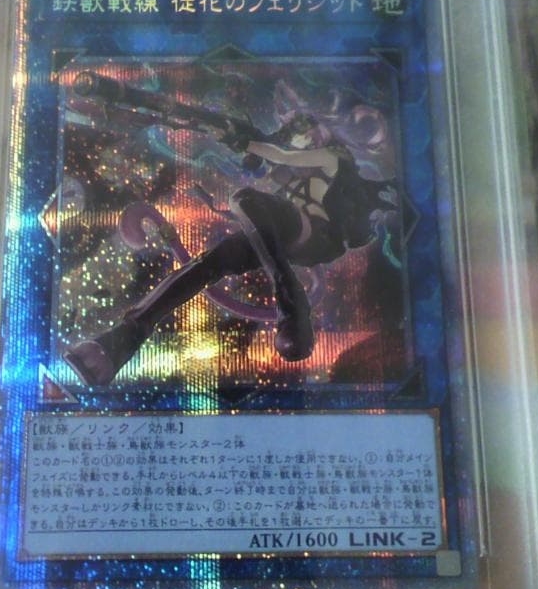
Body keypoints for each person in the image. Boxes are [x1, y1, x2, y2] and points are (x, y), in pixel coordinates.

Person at [64, 110, 395, 387]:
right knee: (210, 264)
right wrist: (233, 143)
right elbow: (269, 168)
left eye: (298, 133)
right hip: (280, 238)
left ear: (313, 134)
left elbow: (281, 155)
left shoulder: (332, 157)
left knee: (245, 198)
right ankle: (123, 339)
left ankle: (288, 295)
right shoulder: (297, 176)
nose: (294, 138)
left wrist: (244, 141)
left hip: (311, 234)